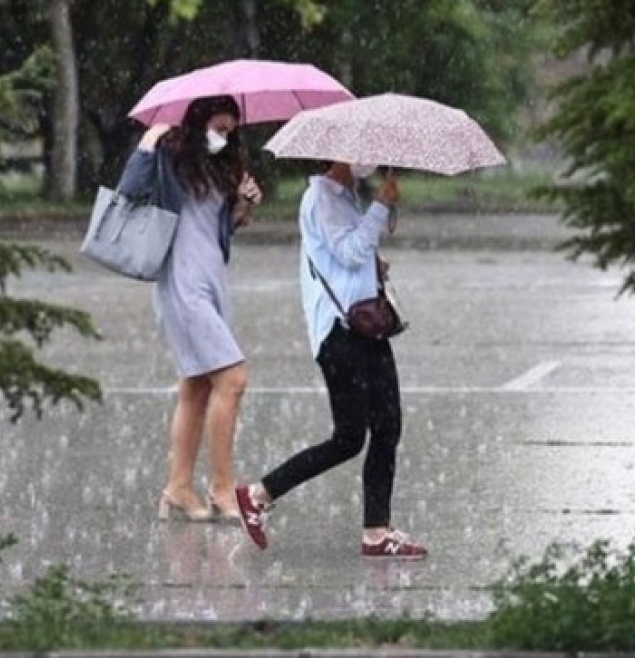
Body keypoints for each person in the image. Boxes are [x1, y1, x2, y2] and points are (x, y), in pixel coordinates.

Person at [233, 161, 428, 559]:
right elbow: (350, 252)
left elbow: (347, 259)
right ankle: (258, 494)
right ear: (339, 155)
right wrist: (380, 207)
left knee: (387, 426)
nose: (368, 163)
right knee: (349, 438)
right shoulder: (321, 198)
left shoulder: (345, 197)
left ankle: (376, 532)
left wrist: (376, 257)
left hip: (366, 326)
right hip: (340, 335)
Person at [117, 95, 263, 522]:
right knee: (233, 379)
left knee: (197, 385)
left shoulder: (222, 168)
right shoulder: (168, 160)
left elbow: (222, 229)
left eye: (231, 130)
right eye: (219, 128)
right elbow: (129, 191)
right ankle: (221, 487)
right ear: (198, 123)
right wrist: (148, 143)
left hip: (212, 279)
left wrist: (244, 204)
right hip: (182, 282)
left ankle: (178, 487)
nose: (225, 136)